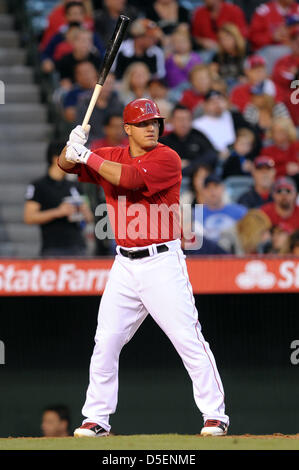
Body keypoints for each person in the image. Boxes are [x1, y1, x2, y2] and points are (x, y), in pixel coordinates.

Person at [58, 98, 229, 437]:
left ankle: (215, 415)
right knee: (106, 341)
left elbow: (131, 180)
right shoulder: (111, 154)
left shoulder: (167, 157)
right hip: (124, 264)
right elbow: (65, 166)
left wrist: (87, 155)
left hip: (162, 262)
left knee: (187, 338)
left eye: (155, 123)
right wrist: (71, 146)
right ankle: (96, 418)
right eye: (144, 123)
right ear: (128, 129)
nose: (152, 128)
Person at [24, 141, 93, 256]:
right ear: (56, 158)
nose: (73, 162)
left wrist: (83, 211)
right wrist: (58, 212)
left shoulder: (75, 186)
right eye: (70, 158)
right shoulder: (39, 186)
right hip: (52, 249)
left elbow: (89, 218)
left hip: (78, 248)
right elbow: (29, 217)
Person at [41, 2, 104, 74]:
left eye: (79, 14)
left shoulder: (92, 35)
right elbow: (46, 53)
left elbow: (101, 53)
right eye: (73, 14)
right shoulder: (59, 36)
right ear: (66, 16)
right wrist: (47, 61)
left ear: (84, 16)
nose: (76, 17)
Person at [160, 105, 216, 170]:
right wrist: (176, 164)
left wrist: (191, 165)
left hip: (195, 173)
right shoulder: (164, 141)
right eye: (180, 119)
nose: (183, 123)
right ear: (172, 121)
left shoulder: (198, 135)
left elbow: (212, 154)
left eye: (187, 119)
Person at [76, 73, 124, 142]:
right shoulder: (84, 105)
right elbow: (80, 131)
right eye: (106, 83)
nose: (108, 87)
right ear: (95, 83)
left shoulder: (118, 105)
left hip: (115, 145)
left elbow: (124, 130)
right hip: (91, 146)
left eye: (111, 84)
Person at [200, 174, 247, 243]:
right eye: (208, 188)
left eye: (216, 186)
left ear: (223, 188)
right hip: (206, 252)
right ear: (203, 191)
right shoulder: (196, 214)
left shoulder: (239, 212)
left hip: (233, 251)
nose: (212, 191)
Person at [272, 24, 299, 126]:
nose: (298, 43)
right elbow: (283, 79)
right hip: (287, 102)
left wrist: (295, 75)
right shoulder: (283, 61)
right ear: (291, 43)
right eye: (295, 40)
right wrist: (295, 77)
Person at [210, 23, 246, 88]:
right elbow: (212, 72)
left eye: (227, 37)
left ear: (235, 37)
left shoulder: (245, 52)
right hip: (224, 84)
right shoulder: (217, 56)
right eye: (222, 39)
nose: (225, 41)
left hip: (240, 84)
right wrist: (217, 79)